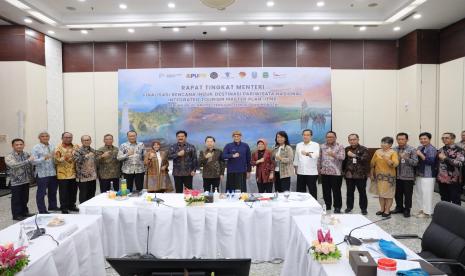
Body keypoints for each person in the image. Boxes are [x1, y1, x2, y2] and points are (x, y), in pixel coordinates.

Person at [5, 138, 35, 220]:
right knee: (16, 199)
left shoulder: (26, 154)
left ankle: (24, 212)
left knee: (25, 198)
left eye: (21, 144)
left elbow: (32, 162)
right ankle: (16, 215)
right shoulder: (9, 156)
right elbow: (14, 165)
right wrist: (28, 161)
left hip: (25, 180)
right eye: (17, 145)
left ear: (23, 145)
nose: (19, 146)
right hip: (15, 182)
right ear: (13, 146)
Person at [370, 136, 399, 217]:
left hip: (389, 178)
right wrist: (371, 173)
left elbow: (395, 164)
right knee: (381, 194)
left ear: (390, 144)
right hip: (379, 177)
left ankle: (387, 210)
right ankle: (382, 209)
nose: (382, 144)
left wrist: (387, 159)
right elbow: (372, 164)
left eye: (385, 143)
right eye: (382, 142)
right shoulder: (377, 151)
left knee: (389, 195)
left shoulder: (393, 152)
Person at [31, 131, 59, 214]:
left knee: (53, 191)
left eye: (47, 136)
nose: (45, 137)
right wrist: (44, 158)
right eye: (43, 136)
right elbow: (33, 162)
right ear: (39, 138)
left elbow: (54, 158)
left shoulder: (52, 146)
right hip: (42, 174)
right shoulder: (36, 147)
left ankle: (53, 206)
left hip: (52, 173)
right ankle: (42, 210)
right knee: (41, 193)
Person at [392, 133, 418, 218]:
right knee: (397, 193)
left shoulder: (412, 149)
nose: (400, 141)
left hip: (408, 176)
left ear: (407, 140)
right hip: (397, 176)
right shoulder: (394, 149)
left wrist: (406, 158)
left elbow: (415, 163)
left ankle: (407, 209)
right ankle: (399, 207)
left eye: (402, 139)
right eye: (399, 139)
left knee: (408, 194)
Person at [318, 131, 345, 213]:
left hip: (336, 173)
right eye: (328, 137)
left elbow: (342, 157)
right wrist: (319, 169)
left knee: (336, 191)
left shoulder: (340, 146)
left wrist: (333, 154)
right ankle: (327, 205)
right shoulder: (322, 146)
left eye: (331, 137)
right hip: (325, 172)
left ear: (335, 138)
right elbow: (319, 158)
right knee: (325, 190)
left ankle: (337, 207)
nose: (329, 138)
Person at [342, 133, 369, 215]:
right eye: (350, 139)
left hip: (361, 175)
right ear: (348, 140)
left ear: (358, 140)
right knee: (349, 192)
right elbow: (344, 161)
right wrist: (343, 172)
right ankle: (349, 207)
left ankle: (363, 209)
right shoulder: (346, 149)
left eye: (354, 139)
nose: (352, 141)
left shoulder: (364, 149)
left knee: (362, 193)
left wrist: (354, 155)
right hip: (349, 175)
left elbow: (365, 159)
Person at [55, 132, 79, 214]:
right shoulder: (58, 148)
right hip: (63, 174)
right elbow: (56, 161)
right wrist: (66, 156)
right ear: (62, 138)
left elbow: (79, 157)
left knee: (73, 191)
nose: (68, 139)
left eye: (70, 137)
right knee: (63, 192)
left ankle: (72, 205)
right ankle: (64, 207)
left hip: (74, 173)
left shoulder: (76, 146)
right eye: (66, 137)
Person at [437, 132, 464, 205]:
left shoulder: (459, 150)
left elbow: (460, 163)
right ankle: (446, 215)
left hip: (453, 180)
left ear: (453, 139)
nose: (444, 139)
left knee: (455, 199)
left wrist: (446, 158)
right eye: (443, 138)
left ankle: (456, 216)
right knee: (444, 199)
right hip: (442, 179)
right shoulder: (441, 149)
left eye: (447, 138)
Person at [415, 132, 437, 218]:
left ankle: (427, 212)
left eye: (425, 139)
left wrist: (420, 154)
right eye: (421, 139)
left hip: (428, 175)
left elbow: (430, 162)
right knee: (419, 193)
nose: (423, 140)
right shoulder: (420, 147)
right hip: (419, 174)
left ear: (429, 139)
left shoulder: (432, 149)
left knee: (427, 194)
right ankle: (421, 209)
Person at [294, 129, 319, 199]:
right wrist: (295, 168)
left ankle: (313, 206)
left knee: (312, 190)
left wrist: (307, 154)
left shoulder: (315, 144)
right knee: (300, 191)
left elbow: (316, 155)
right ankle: (301, 206)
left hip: (311, 172)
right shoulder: (298, 145)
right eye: (304, 135)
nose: (306, 136)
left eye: (308, 135)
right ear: (302, 136)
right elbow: (296, 157)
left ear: (311, 136)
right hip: (300, 171)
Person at [74, 135, 97, 203]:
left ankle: (90, 209)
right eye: (85, 140)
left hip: (92, 176)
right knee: (83, 195)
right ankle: (83, 210)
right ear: (82, 141)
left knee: (92, 195)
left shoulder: (92, 150)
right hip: (83, 177)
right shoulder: (78, 150)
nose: (87, 141)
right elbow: (76, 160)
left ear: (91, 141)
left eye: (88, 140)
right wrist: (86, 156)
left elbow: (96, 161)